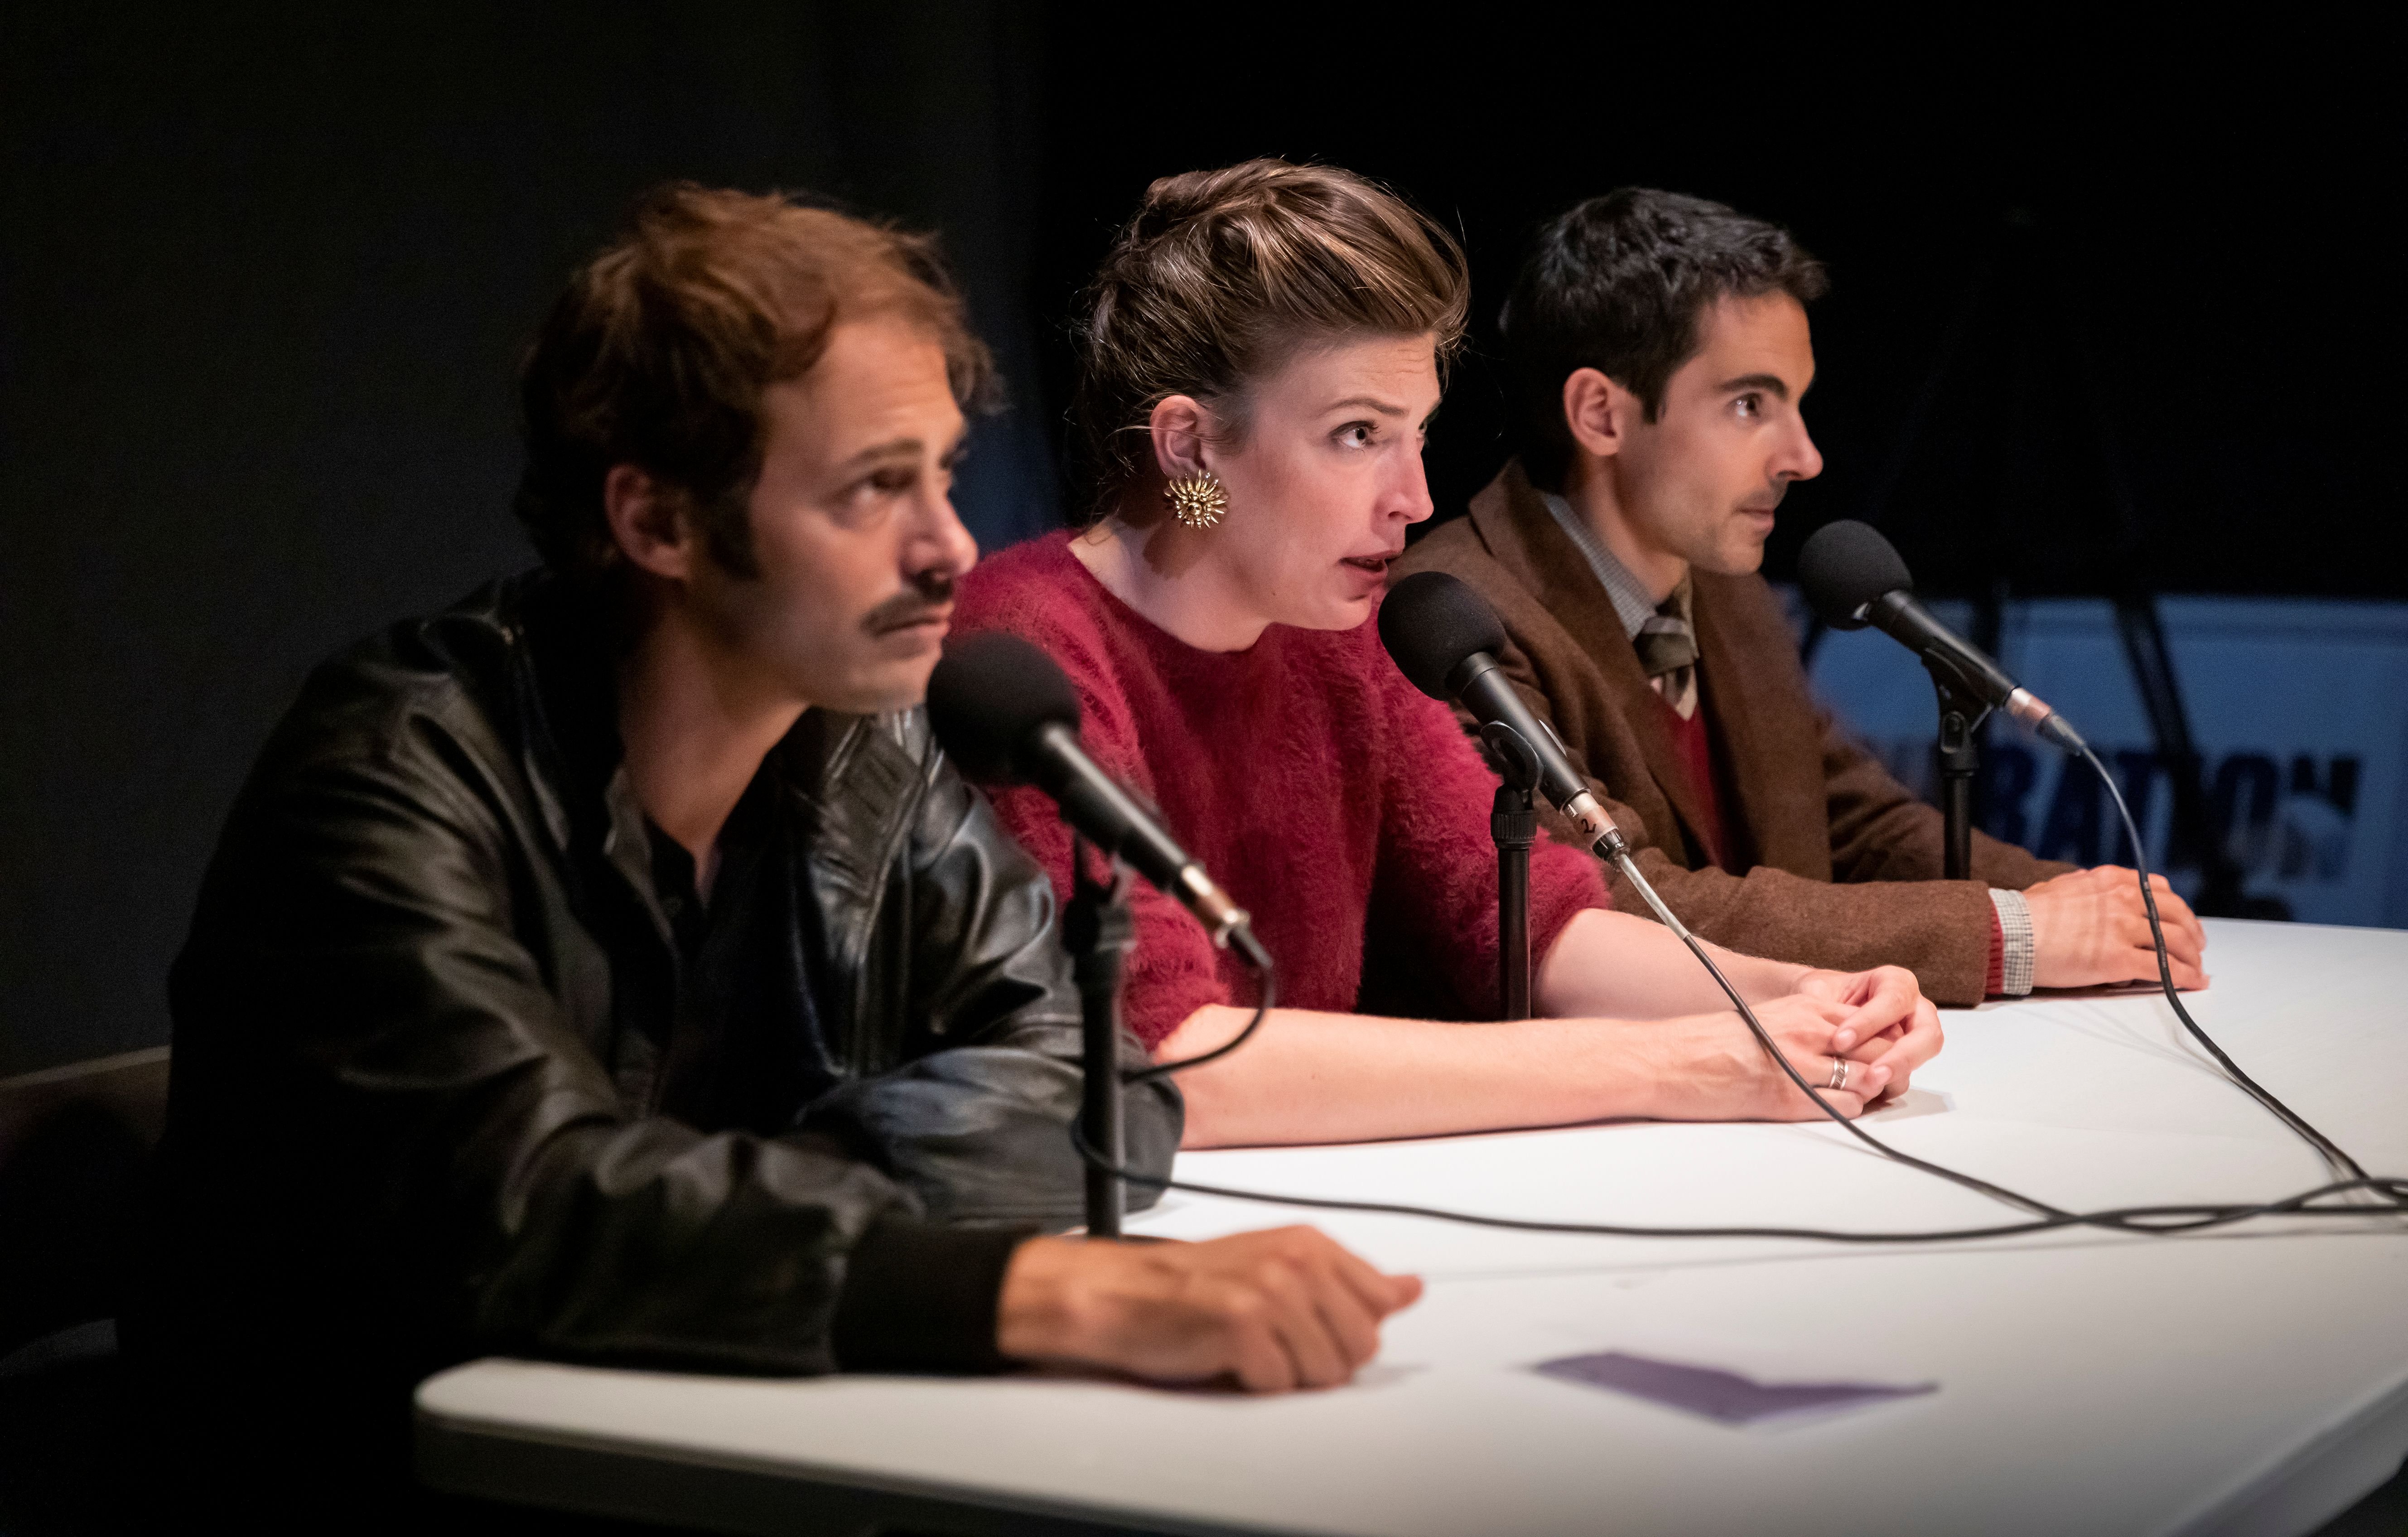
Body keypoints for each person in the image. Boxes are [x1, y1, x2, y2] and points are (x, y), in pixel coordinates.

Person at [132, 186, 1423, 1513]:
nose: (950, 547)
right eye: (873, 489)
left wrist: (720, 1209)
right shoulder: (391, 779)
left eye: (941, 473)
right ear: (660, 523)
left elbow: (1102, 1091)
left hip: (694, 1447)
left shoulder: (865, 742)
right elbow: (526, 1208)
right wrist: (1037, 1288)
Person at [954, 160, 1942, 1151]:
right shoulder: (1026, 646)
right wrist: (1681, 1063)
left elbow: (1528, 918)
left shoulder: (1335, 636)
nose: (1415, 498)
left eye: (1417, 434)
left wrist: (1809, 995)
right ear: (1189, 446)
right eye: (1357, 435)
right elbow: (1170, 1055)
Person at [1394, 188, 2210, 1005]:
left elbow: (1855, 823)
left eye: (1798, 402)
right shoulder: (1449, 625)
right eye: (1750, 404)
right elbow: (1613, 906)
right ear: (1602, 415)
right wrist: (2011, 935)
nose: (1805, 457)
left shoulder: (1729, 592)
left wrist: (2086, 905)